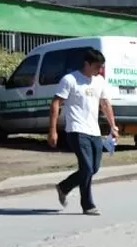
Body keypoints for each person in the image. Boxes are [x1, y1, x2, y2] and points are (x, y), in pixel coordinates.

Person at [47, 48, 118, 216]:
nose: (99, 70)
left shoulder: (99, 80)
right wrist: (52, 131)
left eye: (101, 67)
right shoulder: (70, 80)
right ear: (86, 64)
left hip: (94, 131)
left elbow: (105, 104)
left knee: (93, 168)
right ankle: (88, 205)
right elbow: (56, 103)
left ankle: (64, 187)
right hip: (76, 130)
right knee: (86, 168)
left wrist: (113, 125)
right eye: (96, 66)